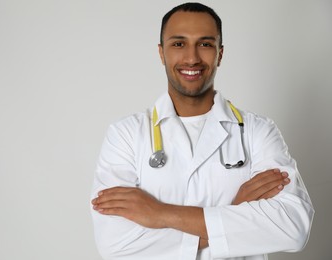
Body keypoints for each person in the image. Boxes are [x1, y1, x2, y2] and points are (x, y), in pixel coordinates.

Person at [90, 2, 314, 260]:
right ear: (161, 53)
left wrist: (160, 213)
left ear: (220, 53)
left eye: (205, 44)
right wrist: (236, 211)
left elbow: (293, 227)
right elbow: (116, 244)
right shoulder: (126, 135)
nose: (192, 58)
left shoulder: (258, 131)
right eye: (178, 44)